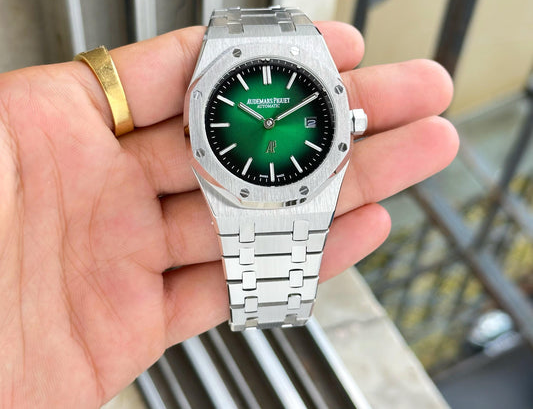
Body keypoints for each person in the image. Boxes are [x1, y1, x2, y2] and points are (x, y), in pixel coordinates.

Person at [0, 21, 458, 408]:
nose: (270, 123)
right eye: (264, 119)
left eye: (278, 119)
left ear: (348, 123)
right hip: (234, 187)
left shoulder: (323, 122)